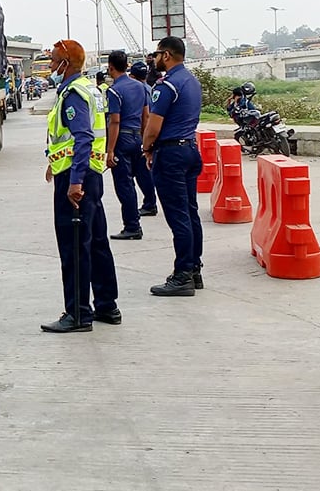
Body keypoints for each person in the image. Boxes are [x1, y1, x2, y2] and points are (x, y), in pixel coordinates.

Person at [41, 39, 119, 333]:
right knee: (96, 242)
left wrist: (73, 182)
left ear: (66, 64)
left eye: (53, 62)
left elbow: (83, 136)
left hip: (78, 181)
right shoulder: (92, 89)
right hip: (92, 175)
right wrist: (55, 161)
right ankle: (107, 306)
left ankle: (77, 314)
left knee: (73, 247)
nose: (49, 67)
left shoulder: (73, 94)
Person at [143, 36, 205, 297]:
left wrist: (146, 148)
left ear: (166, 55)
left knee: (178, 216)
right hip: (190, 148)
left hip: (170, 154)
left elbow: (153, 126)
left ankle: (182, 276)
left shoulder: (166, 85)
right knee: (190, 212)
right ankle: (194, 268)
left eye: (156, 55)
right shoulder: (191, 81)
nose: (154, 60)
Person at [105, 51, 158, 241]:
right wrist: (146, 143)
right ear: (126, 66)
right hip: (138, 137)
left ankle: (132, 226)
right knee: (141, 177)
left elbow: (115, 122)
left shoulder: (113, 91)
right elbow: (146, 116)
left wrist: (110, 150)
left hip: (122, 140)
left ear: (111, 67)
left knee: (125, 186)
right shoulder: (140, 87)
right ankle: (147, 206)